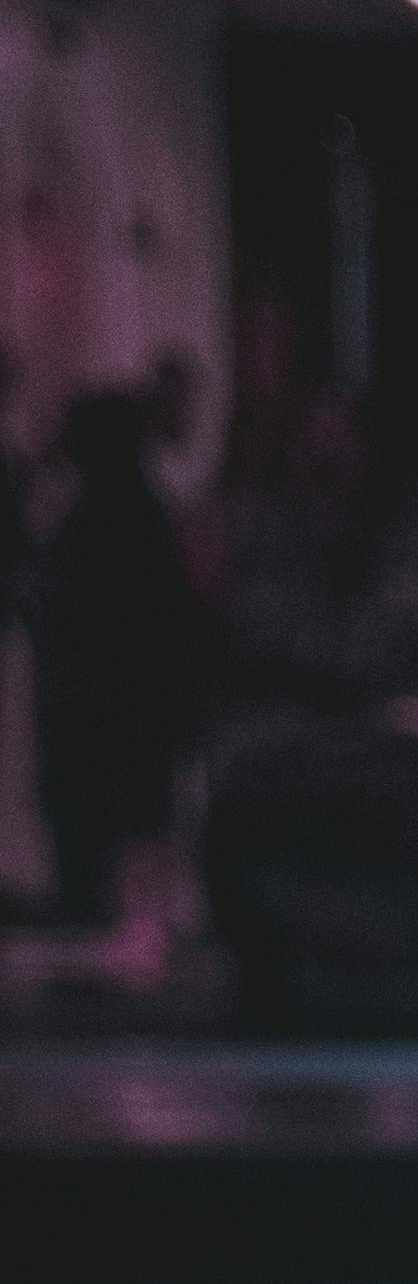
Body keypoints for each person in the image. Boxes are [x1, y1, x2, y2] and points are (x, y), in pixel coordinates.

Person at [29, 378, 211, 937]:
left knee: (109, 856)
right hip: (113, 715)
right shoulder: (123, 513)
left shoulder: (106, 519)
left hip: (105, 716)